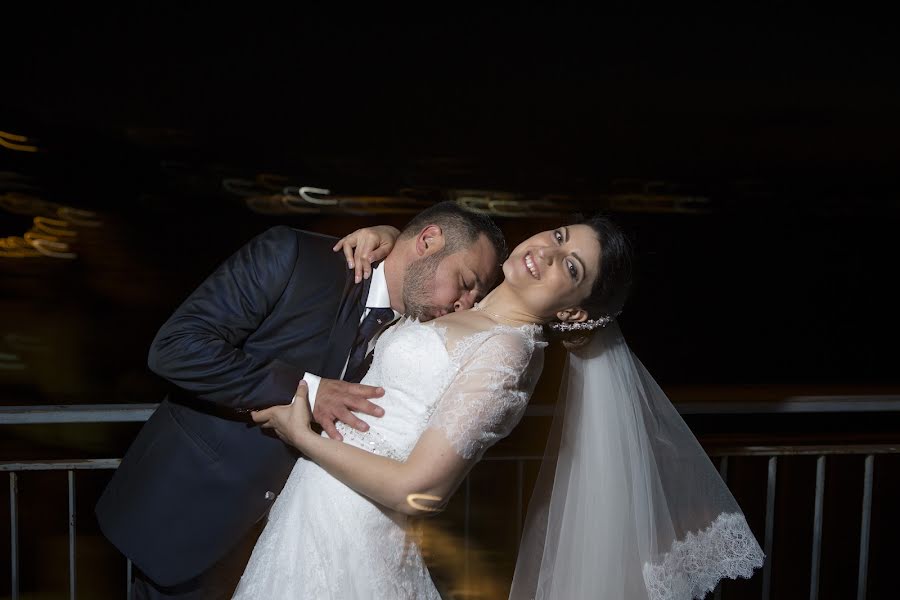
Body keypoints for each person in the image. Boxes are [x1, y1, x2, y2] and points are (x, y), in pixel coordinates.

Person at [234, 215, 763, 599]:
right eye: (559, 236)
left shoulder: (507, 350)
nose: (549, 252)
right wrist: (393, 239)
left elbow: (421, 492)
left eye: (571, 266)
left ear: (574, 310)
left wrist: (300, 434)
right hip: (315, 514)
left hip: (352, 530)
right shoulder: (475, 312)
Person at [94, 201, 507, 599]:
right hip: (198, 512)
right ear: (429, 240)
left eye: (476, 296)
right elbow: (177, 347)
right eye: (467, 282)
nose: (464, 303)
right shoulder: (292, 256)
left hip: (299, 545)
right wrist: (305, 389)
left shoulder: (420, 334)